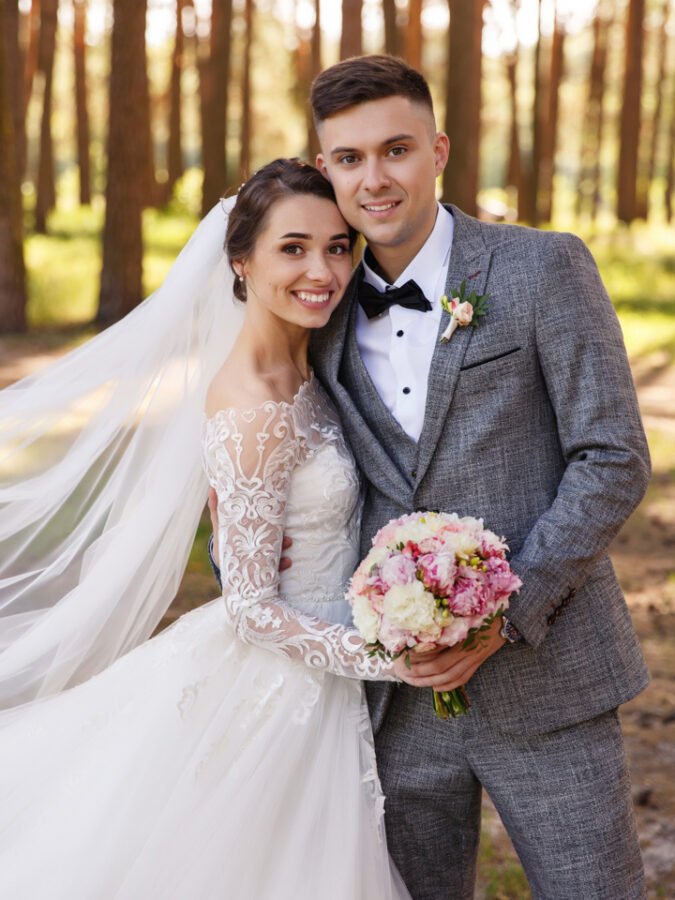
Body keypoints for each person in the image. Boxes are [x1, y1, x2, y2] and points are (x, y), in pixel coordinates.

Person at [212, 56, 650, 899]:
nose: (372, 179)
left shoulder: (541, 268)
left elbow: (612, 457)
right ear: (325, 165)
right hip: (393, 703)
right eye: (347, 159)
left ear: (438, 150)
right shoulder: (321, 301)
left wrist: (507, 611)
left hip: (547, 676)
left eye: (396, 150)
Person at [0, 160, 411, 899]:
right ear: (239, 260)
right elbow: (253, 610)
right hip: (281, 687)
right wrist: (396, 656)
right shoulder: (252, 402)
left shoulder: (306, 365)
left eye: (337, 246)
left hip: (319, 673)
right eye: (292, 248)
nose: (323, 269)